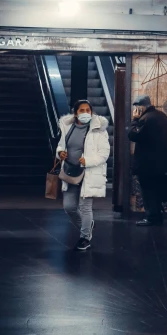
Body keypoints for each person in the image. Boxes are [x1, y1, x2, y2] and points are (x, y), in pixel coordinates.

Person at [56, 99, 110, 251]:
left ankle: (84, 237)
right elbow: (60, 145)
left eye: (88, 110)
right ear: (75, 113)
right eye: (82, 110)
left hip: (89, 173)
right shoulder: (67, 126)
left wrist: (88, 161)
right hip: (70, 171)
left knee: (85, 207)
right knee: (69, 207)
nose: (85, 113)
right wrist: (60, 153)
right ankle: (87, 225)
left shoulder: (99, 130)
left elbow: (104, 154)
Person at [128, 95, 167, 226]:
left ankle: (152, 217)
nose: (135, 110)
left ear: (141, 107)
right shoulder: (161, 116)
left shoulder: (146, 119)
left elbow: (133, 135)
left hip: (149, 164)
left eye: (136, 108)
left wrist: (134, 120)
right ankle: (156, 215)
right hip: (161, 163)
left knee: (148, 191)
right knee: (155, 191)